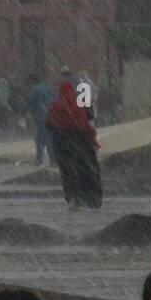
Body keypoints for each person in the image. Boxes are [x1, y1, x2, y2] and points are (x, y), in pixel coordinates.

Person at [45, 77, 103, 209]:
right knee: (83, 170)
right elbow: (87, 119)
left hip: (61, 142)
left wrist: (59, 126)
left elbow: (48, 124)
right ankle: (89, 199)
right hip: (80, 141)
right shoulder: (78, 104)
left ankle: (72, 198)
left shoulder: (56, 105)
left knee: (67, 172)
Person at [22, 74, 56, 165]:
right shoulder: (50, 88)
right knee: (50, 140)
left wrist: (23, 111)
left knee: (39, 140)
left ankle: (39, 160)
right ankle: (52, 161)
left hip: (41, 118)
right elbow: (56, 100)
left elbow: (31, 102)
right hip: (51, 117)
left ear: (32, 82)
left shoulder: (36, 89)